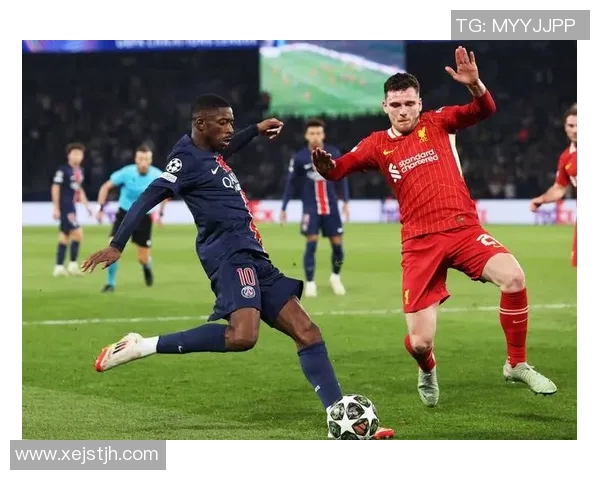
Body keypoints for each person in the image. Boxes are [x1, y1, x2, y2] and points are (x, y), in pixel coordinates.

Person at [81, 94, 394, 439]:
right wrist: (117, 243)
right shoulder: (185, 160)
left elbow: (230, 146)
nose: (231, 128)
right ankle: (142, 345)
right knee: (243, 336)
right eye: (224, 123)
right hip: (229, 256)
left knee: (308, 332)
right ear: (201, 124)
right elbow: (148, 196)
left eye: (232, 122)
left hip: (255, 256)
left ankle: (340, 420)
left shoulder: (213, 153)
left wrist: (256, 130)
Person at [311, 47, 557, 407]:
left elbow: (483, 110)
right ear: (385, 106)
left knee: (514, 277)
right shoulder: (376, 144)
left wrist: (475, 86)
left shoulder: (438, 122)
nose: (403, 111)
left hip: (462, 229)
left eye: (409, 103)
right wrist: (326, 167)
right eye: (396, 105)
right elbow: (339, 169)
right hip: (419, 243)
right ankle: (427, 367)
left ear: (420, 103)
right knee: (420, 342)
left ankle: (516, 364)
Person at [280, 118, 349, 297]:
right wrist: (284, 208)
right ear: (306, 135)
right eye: (312, 133)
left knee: (338, 248)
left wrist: (346, 202)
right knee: (311, 244)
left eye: (318, 133)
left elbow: (342, 178)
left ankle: (335, 276)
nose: (315, 136)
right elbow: (290, 184)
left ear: (323, 135)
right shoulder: (300, 158)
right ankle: (310, 282)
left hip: (331, 207)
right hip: (310, 208)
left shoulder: (333, 153)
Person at [95, 144, 169, 292]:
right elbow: (105, 187)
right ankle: (110, 284)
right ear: (136, 159)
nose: (143, 162)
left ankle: (146, 266)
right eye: (141, 159)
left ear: (151, 160)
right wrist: (100, 208)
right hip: (124, 214)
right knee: (112, 247)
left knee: (142, 257)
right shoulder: (126, 172)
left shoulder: (157, 175)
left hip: (143, 217)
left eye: (146, 159)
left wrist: (160, 214)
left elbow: (167, 193)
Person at [530, 103, 577, 267]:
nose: (575, 130)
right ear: (565, 127)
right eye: (571, 126)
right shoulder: (566, 157)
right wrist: (541, 199)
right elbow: (559, 188)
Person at [51, 142, 93, 277]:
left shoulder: (80, 171)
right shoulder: (63, 170)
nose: (77, 156)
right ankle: (73, 265)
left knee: (64, 236)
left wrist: (87, 205)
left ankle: (59, 267)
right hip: (65, 206)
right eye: (74, 153)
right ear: (68, 155)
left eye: (79, 154)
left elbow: (79, 190)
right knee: (78, 233)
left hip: (72, 206)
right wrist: (56, 207)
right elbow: (55, 187)